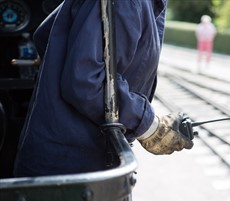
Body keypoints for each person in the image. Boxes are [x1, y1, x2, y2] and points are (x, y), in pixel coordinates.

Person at [14, 0, 193, 177]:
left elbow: (46, 34)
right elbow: (86, 83)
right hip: (71, 168)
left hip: (67, 157)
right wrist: (150, 126)